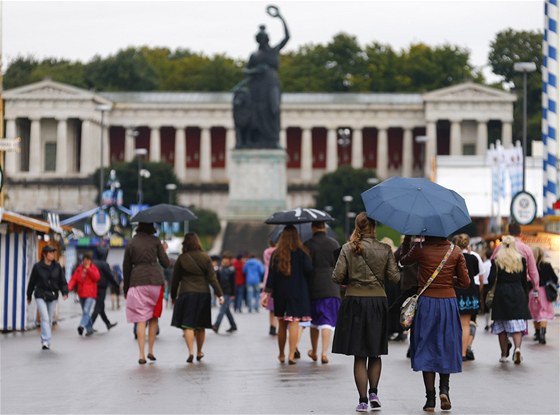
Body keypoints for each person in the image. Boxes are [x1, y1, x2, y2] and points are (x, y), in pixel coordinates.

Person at [331, 213, 400, 412]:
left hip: (355, 302)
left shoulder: (347, 248)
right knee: (375, 351)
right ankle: (374, 393)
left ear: (358, 226)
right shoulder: (385, 249)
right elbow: (395, 278)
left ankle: (362, 400)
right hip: (378, 302)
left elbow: (336, 277)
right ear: (374, 227)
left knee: (359, 355)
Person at [400, 233, 470, 412]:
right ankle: (444, 390)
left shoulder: (421, 250)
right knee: (445, 346)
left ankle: (430, 399)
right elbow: (465, 282)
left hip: (427, 305)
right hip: (448, 303)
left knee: (426, 347)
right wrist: (448, 281)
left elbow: (404, 260)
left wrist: (407, 239)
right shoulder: (455, 252)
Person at [233, 5, 289, 148]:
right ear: (258, 40)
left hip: (271, 83)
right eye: (260, 39)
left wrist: (280, 17)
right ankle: (258, 140)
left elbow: (287, 37)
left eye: (264, 38)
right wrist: (256, 70)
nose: (263, 41)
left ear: (267, 39)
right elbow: (245, 71)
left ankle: (273, 140)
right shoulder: (254, 56)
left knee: (274, 108)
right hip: (257, 86)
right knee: (258, 111)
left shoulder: (273, 51)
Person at [262, 225, 312, 365]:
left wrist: (266, 294)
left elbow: (271, 276)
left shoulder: (276, 254)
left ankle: (281, 354)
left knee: (282, 324)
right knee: (294, 323)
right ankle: (291, 355)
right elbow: (309, 271)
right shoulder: (302, 253)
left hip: (280, 293)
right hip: (297, 292)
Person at [171, 232, 224, 363]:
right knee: (201, 325)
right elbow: (212, 278)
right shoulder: (205, 257)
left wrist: (173, 296)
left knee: (188, 325)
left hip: (186, 293)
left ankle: (191, 352)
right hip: (203, 294)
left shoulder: (182, 258)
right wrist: (220, 294)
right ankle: (200, 351)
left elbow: (175, 280)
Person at [123, 222, 170, 365]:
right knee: (154, 317)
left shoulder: (131, 243)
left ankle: (141, 355)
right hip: (155, 281)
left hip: (137, 281)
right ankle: (151, 350)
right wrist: (162, 249)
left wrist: (126, 289)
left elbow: (126, 268)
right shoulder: (155, 241)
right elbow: (166, 263)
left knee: (141, 318)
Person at [491, 222, 540, 339]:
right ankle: (519, 340)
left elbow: (493, 266)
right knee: (519, 313)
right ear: (520, 233)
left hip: (501, 286)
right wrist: (536, 288)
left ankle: (505, 343)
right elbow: (533, 271)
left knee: (503, 315)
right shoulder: (526, 249)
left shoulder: (499, 248)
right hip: (521, 285)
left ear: (509, 232)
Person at [488, 235, 532, 364]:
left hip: (501, 294)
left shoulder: (496, 260)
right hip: (517, 292)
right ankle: (517, 349)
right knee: (517, 324)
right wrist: (525, 294)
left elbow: (491, 280)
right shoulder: (521, 260)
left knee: (501, 327)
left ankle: (503, 355)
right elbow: (524, 280)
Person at [304, 221, 341, 364]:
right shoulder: (334, 243)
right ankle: (324, 353)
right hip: (331, 286)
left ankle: (313, 351)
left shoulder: (307, 244)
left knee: (314, 321)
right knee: (327, 321)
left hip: (313, 286)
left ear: (313, 228)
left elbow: (306, 267)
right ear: (324, 228)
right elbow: (340, 264)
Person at [26, 245, 68, 350]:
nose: (53, 255)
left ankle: (47, 340)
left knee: (49, 319)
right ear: (44, 254)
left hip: (53, 295)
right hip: (40, 294)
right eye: (50, 253)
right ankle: (45, 340)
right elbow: (32, 282)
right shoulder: (37, 267)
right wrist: (29, 295)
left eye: (53, 253)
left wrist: (65, 292)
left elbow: (62, 281)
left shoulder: (57, 266)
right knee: (44, 317)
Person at [451, 234, 480, 361]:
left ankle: (452, 351)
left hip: (455, 291)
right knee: (466, 324)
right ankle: (463, 353)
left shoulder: (452, 256)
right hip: (469, 293)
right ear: (467, 245)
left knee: (452, 323)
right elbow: (477, 272)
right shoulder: (473, 258)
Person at [529, 246, 558, 345]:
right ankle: (542, 334)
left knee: (535, 313)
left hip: (533, 291)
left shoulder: (530, 265)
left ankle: (537, 333)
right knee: (544, 313)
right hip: (544, 292)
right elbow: (555, 278)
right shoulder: (547, 265)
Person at [68, 253, 100, 337]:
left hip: (90, 294)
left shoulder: (93, 268)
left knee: (86, 310)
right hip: (81, 293)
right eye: (84, 260)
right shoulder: (79, 269)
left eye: (87, 260)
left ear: (90, 261)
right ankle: (89, 329)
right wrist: (69, 288)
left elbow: (96, 278)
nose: (86, 262)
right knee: (86, 312)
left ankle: (81, 326)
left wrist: (88, 269)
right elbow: (74, 279)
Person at [91, 246, 119, 332]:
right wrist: (116, 285)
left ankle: (107, 323)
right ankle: (88, 325)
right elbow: (110, 276)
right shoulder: (104, 264)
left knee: (101, 307)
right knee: (98, 307)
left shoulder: (93, 263)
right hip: (101, 288)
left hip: (94, 287)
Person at [212, 251, 238, 333]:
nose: (225, 260)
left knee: (222, 309)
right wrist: (217, 291)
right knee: (226, 310)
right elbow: (218, 280)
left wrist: (233, 294)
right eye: (224, 258)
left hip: (228, 292)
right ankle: (233, 325)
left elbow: (233, 283)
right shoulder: (220, 269)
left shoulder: (232, 270)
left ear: (230, 260)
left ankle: (216, 325)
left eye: (227, 259)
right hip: (221, 291)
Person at [261, 240, 278, 335]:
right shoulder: (278, 251)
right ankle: (276, 325)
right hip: (277, 280)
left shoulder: (266, 252)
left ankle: (271, 326)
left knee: (270, 308)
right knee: (277, 308)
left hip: (267, 278)